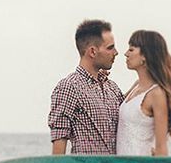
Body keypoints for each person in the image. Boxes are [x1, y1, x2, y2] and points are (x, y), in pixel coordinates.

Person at [48, 19, 124, 155]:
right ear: (93, 52)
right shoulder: (69, 87)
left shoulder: (112, 88)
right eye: (110, 47)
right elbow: (59, 142)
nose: (116, 52)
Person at [116, 30, 171, 156]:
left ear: (145, 56)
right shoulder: (136, 86)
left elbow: (161, 147)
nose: (126, 53)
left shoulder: (156, 94)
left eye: (131, 49)